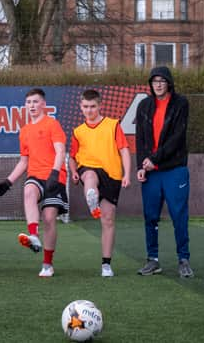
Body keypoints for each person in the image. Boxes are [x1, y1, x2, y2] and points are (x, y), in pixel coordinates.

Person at [0, 88, 68, 278]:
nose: (32, 106)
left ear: (43, 104)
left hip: (54, 176)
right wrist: (8, 182)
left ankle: (47, 264)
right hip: (35, 176)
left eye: (35, 102)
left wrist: (54, 173)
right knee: (28, 192)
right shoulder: (25, 131)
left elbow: (60, 151)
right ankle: (33, 234)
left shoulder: (53, 124)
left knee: (50, 218)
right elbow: (24, 161)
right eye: (29, 102)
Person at [135, 66, 192, 278]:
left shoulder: (180, 103)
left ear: (169, 83)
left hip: (174, 170)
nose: (158, 84)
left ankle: (183, 260)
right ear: (150, 84)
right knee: (150, 217)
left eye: (162, 80)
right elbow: (140, 140)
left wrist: (154, 159)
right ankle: (153, 260)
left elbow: (177, 138)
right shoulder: (143, 106)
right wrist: (142, 165)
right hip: (151, 173)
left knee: (179, 216)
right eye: (154, 81)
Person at [68, 89, 131, 278]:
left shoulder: (112, 125)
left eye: (92, 106)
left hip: (112, 175)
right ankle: (91, 199)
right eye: (85, 107)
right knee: (89, 177)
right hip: (89, 168)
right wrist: (73, 172)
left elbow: (124, 150)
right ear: (81, 107)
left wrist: (127, 173)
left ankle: (106, 264)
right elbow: (72, 157)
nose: (89, 110)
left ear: (100, 105)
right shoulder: (78, 132)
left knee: (108, 219)